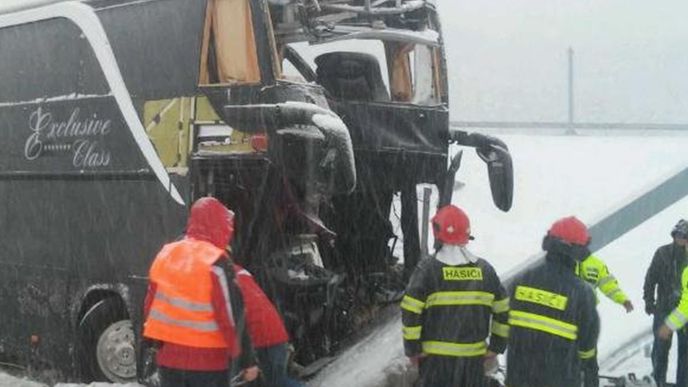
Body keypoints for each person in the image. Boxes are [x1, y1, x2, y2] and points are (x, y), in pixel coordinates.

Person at [143, 197, 259, 387]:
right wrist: (247, 360)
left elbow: (150, 306)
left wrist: (151, 343)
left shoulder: (167, 254)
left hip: (169, 362)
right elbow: (231, 316)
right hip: (208, 364)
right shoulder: (216, 261)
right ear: (219, 225)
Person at [401, 205, 509, 387]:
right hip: (473, 363)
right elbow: (503, 310)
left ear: (438, 232)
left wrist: (413, 349)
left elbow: (411, 311)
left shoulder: (427, 270)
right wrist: (496, 346)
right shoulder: (486, 271)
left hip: (435, 365)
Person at [506, 216, 599, 387]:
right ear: (578, 252)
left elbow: (503, 329)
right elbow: (587, 352)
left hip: (518, 379)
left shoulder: (520, 282)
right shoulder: (581, 293)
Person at [233, 263, 304, 387]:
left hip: (261, 336)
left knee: (277, 382)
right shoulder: (237, 271)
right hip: (272, 328)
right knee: (277, 380)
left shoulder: (222, 278)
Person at [646, 219, 688, 387]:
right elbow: (650, 279)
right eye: (679, 235)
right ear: (674, 236)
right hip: (663, 309)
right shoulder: (662, 253)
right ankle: (658, 381)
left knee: (685, 353)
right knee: (660, 351)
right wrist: (649, 301)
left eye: (685, 236)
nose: (682, 239)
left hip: (684, 313)